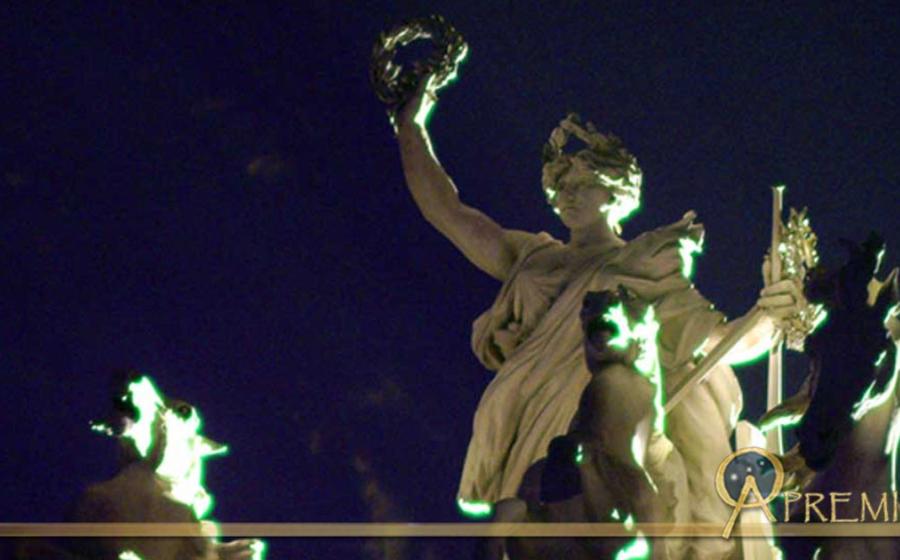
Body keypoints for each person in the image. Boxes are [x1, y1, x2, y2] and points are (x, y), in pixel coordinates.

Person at [393, 76, 802, 557]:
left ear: (617, 192)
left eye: (584, 184)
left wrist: (770, 314)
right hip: (525, 416)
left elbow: (718, 343)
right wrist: (410, 124)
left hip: (599, 418)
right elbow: (447, 212)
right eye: (562, 185)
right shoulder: (532, 257)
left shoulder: (643, 264)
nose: (568, 194)